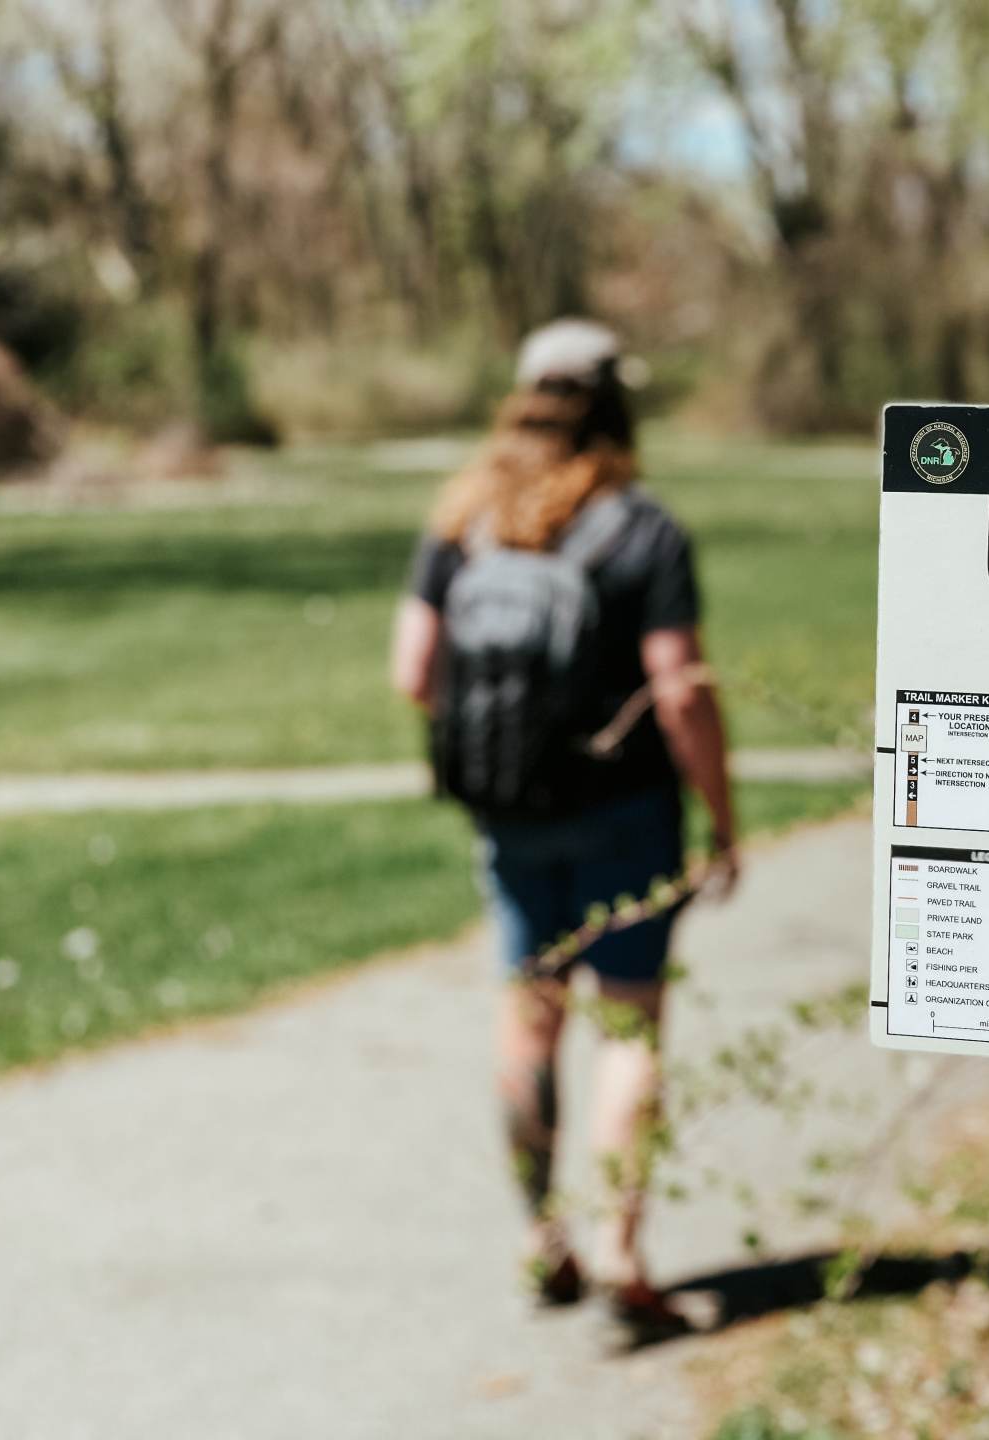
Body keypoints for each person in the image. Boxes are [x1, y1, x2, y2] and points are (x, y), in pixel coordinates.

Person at [389, 318, 737, 1342]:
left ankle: (544, 1234)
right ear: (618, 407)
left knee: (528, 1015)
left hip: (510, 816)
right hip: (625, 816)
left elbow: (414, 673)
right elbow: (679, 690)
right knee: (627, 1026)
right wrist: (720, 817)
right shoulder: (643, 530)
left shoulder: (466, 519)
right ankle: (624, 1255)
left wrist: (503, 740)